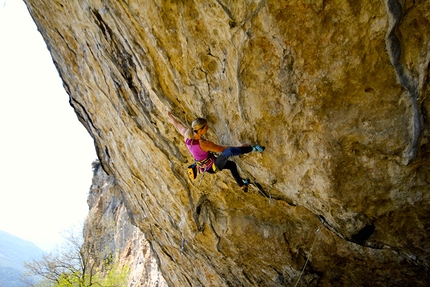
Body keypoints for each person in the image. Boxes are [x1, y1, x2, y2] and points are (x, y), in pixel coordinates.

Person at [167, 111, 264, 192]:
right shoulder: (204, 144)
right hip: (212, 167)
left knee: (232, 165)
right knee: (229, 151)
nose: (208, 127)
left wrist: (170, 116)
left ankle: (243, 186)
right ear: (200, 130)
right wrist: (242, 147)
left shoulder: (187, 137)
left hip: (206, 165)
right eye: (206, 127)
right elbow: (224, 149)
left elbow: (178, 126)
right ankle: (253, 148)